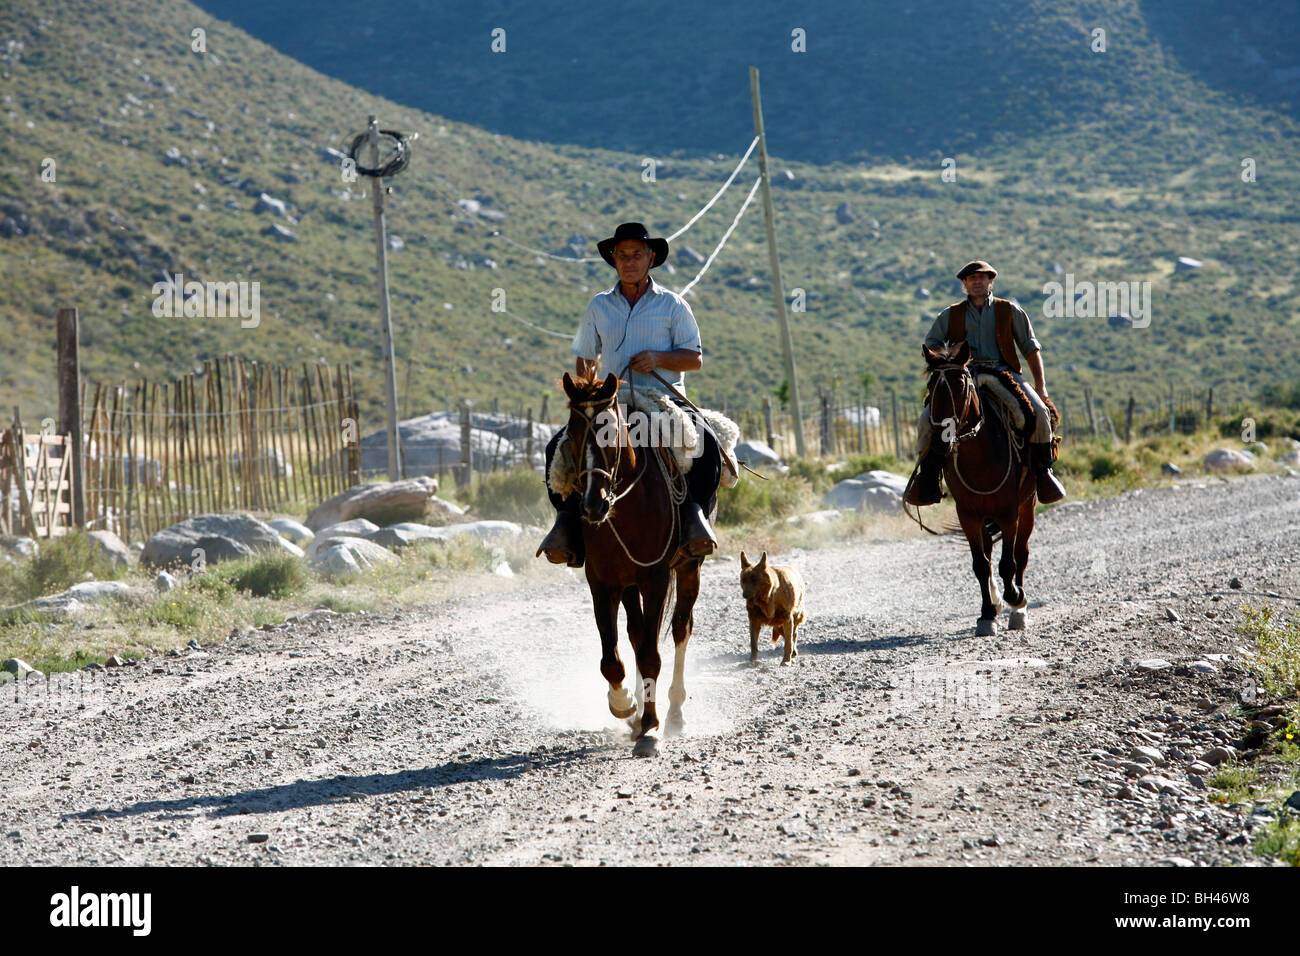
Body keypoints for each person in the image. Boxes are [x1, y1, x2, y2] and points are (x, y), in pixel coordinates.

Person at [536, 222, 721, 568]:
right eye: (622, 255)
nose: (629, 261)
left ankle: (694, 515)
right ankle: (568, 524)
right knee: (557, 447)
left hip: (662, 400)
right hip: (611, 403)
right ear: (614, 260)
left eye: (637, 255)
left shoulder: (673, 305)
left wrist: (658, 359)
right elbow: (585, 357)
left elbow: (694, 358)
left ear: (651, 259)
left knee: (706, 443)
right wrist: (589, 383)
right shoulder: (599, 306)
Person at [904, 259, 1066, 505]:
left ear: (991, 281)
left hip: (1004, 373)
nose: (977, 282)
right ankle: (928, 477)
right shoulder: (950, 315)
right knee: (927, 420)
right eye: (972, 279)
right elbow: (932, 343)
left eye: (982, 277)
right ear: (964, 284)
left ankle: (1043, 472)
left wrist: (1040, 386)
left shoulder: (1009, 311)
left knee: (1041, 413)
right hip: (962, 375)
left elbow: (1031, 349)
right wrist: (947, 357)